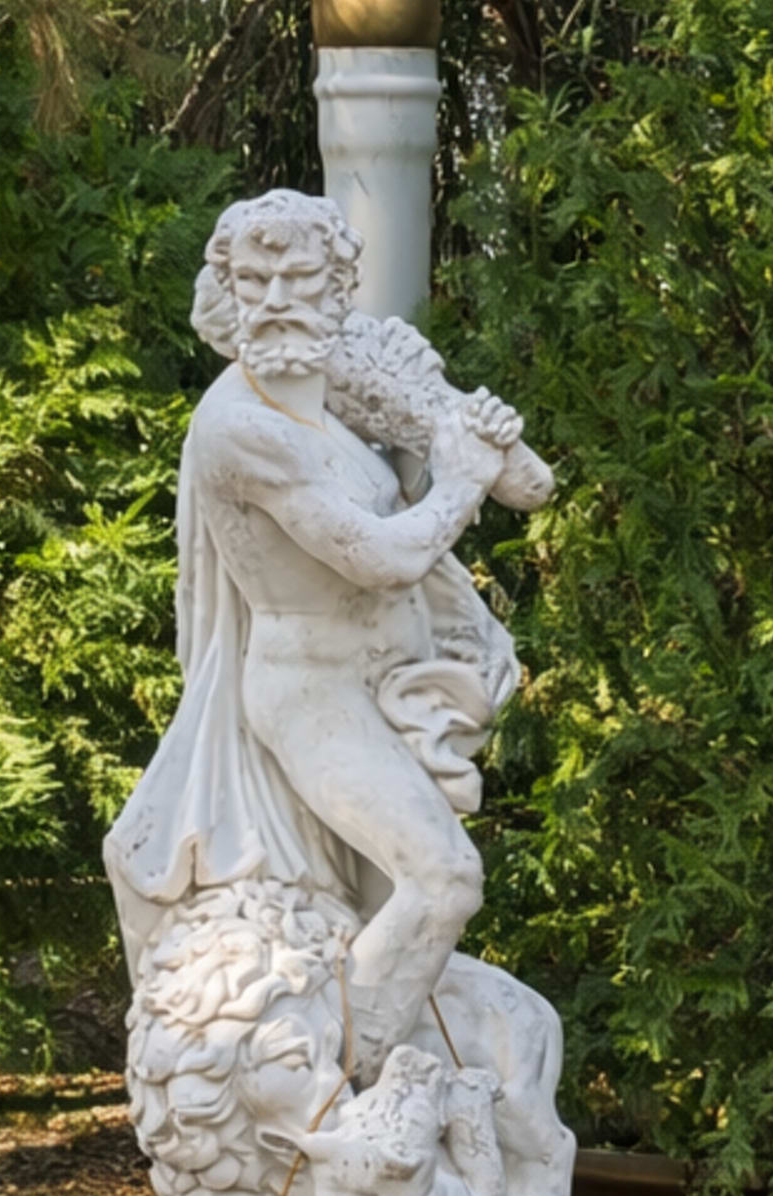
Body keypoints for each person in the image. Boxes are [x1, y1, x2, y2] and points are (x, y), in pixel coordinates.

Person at [104, 191, 530, 1071]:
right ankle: (335, 1094)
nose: (276, 300)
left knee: (392, 923)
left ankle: (390, 1113)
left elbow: (531, 486)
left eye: (299, 278)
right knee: (442, 878)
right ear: (227, 291)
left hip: (393, 685)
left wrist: (450, 417)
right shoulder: (241, 428)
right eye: (254, 280)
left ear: (340, 291)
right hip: (314, 695)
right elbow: (378, 557)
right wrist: (454, 479)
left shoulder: (330, 389)